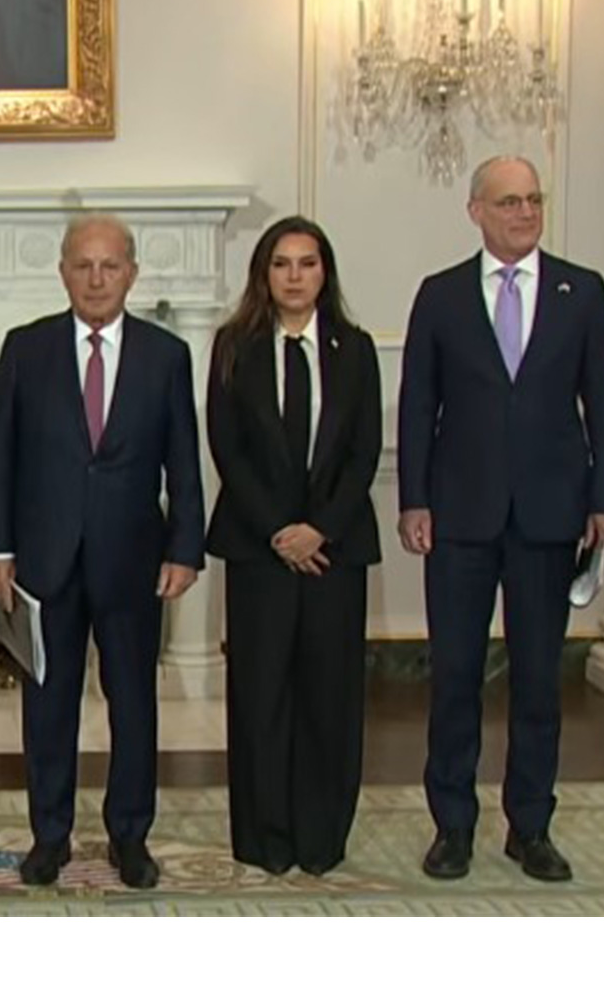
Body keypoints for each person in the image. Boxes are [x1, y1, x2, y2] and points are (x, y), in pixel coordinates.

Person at [398, 155, 604, 883]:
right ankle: (453, 828)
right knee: (456, 677)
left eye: (533, 200)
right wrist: (414, 500)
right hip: (460, 516)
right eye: (508, 202)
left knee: (536, 679)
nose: (524, 213)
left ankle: (530, 827)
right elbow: (415, 408)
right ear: (476, 211)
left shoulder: (581, 292)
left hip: (550, 515)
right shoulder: (439, 296)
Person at [0, 213, 204, 890]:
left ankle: (129, 835)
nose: (97, 278)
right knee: (47, 704)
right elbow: (0, 460)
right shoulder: (27, 348)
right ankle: (49, 835)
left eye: (110, 265)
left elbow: (184, 463)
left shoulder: (166, 355)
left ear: (131, 273)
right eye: (84, 265)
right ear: (63, 272)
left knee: (133, 700)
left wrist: (185, 547)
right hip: (44, 560)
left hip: (134, 558)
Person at [206, 217, 382, 877]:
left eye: (307, 263)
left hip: (334, 551)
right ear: (263, 274)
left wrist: (320, 529)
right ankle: (264, 837)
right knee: (261, 694)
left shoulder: (355, 349)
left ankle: (321, 837)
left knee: (328, 696)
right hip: (260, 550)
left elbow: (364, 452)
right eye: (281, 264)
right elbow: (228, 448)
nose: (295, 276)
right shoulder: (233, 347)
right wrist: (282, 531)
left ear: (324, 273)